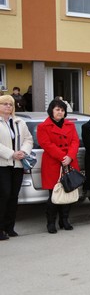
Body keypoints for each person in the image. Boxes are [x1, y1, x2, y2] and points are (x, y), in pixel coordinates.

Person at [38, 99, 80, 232]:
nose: (60, 112)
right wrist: (63, 157)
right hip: (53, 163)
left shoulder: (70, 125)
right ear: (51, 111)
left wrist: (70, 156)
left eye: (62, 110)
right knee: (54, 195)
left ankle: (64, 220)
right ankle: (51, 222)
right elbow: (46, 144)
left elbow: (75, 141)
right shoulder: (43, 127)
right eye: (57, 109)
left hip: (69, 162)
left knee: (69, 192)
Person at [0, 95, 33, 239]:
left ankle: (10, 227)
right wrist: (11, 153)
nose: (8, 106)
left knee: (14, 196)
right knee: (4, 195)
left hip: (18, 164)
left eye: (10, 104)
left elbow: (28, 139)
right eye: (5, 104)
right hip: (2, 164)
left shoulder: (19, 122)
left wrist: (23, 152)